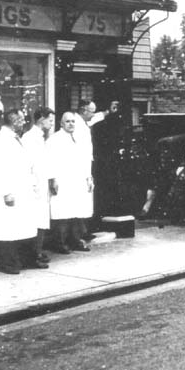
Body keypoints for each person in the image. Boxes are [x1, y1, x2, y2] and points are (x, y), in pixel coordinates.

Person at [0, 108, 43, 275]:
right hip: (11, 192)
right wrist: (7, 192)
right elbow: (0, 169)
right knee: (9, 229)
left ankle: (24, 260)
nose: (24, 122)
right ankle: (7, 263)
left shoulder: (14, 138)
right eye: (21, 120)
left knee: (22, 227)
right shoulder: (1, 140)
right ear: (14, 122)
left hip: (22, 189)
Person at [46, 112, 94, 253]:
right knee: (63, 215)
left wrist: (89, 177)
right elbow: (50, 161)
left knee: (77, 213)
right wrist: (53, 179)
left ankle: (75, 241)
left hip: (78, 180)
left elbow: (85, 160)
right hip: (63, 181)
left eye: (73, 121)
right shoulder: (54, 140)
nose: (71, 124)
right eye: (67, 121)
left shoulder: (79, 139)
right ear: (61, 124)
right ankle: (59, 243)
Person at [73, 100, 120, 231]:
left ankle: (83, 231)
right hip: (77, 168)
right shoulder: (74, 124)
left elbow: (95, 118)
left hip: (85, 168)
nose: (93, 115)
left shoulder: (84, 121)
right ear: (83, 110)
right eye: (91, 112)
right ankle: (77, 234)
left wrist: (108, 112)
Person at [22, 107, 55, 265]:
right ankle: (32, 255)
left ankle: (37, 252)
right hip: (34, 186)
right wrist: (34, 184)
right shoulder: (29, 138)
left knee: (40, 219)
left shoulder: (41, 137)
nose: (51, 123)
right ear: (41, 119)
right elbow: (29, 165)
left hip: (41, 185)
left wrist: (50, 179)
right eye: (50, 119)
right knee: (35, 220)